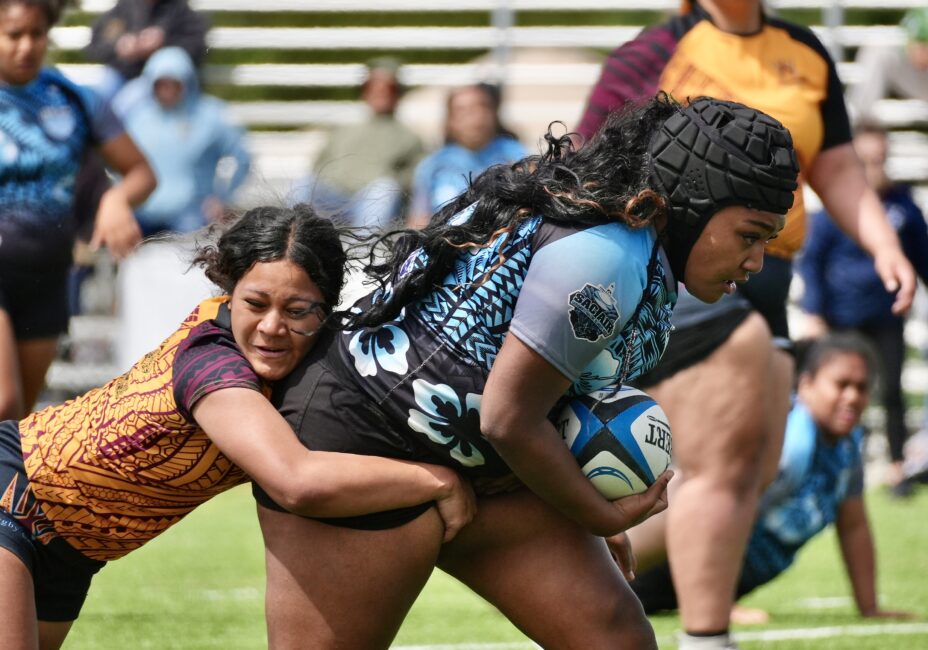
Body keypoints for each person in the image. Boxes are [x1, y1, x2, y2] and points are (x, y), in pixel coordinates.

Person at [252, 94, 800, 649]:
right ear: (694, 203)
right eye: (748, 236)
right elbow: (508, 417)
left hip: (484, 465)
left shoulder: (623, 233)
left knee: (616, 640)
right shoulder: (610, 252)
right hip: (366, 437)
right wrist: (596, 516)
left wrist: (572, 504)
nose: (755, 261)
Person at [575, 2, 917, 648]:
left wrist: (883, 244)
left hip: (769, 275)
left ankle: (570, 547)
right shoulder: (650, 54)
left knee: (749, 472)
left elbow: (837, 166)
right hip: (674, 273)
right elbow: (587, 163)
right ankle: (707, 636)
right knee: (727, 445)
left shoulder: (806, 53)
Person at [0, 204, 475, 650]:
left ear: (326, 310)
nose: (271, 327)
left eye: (296, 311)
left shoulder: (313, 359)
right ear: (229, 292)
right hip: (14, 497)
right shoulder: (211, 361)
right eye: (256, 303)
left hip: (74, 552)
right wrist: (438, 482)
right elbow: (296, 481)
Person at [629, 333, 916, 624]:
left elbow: (853, 526)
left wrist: (869, 608)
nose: (852, 397)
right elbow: (721, 509)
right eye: (841, 385)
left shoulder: (847, 449)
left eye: (862, 387)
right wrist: (718, 602)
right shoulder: (789, 440)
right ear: (806, 384)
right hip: (665, 568)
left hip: (697, 584)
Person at [0, 0, 156, 422]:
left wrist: (115, 199)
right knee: (2, 402)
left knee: (17, 422)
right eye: (13, 35)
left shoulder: (74, 99)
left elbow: (141, 171)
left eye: (36, 34)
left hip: (47, 276)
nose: (26, 46)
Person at [798, 121, 928, 498]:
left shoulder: (902, 204)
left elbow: (922, 254)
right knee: (835, 395)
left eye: (880, 157)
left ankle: (897, 468)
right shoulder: (841, 205)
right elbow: (813, 261)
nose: (875, 165)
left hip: (887, 316)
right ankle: (826, 467)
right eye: (867, 158)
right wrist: (814, 311)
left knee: (891, 395)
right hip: (842, 320)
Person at [112, 46, 252, 237]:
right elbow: (115, 160)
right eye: (161, 82)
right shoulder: (136, 116)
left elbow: (241, 156)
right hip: (141, 215)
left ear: (187, 81)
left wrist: (222, 197)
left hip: (190, 218)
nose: (167, 89)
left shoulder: (210, 115)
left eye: (174, 82)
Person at [306, 57, 425, 232]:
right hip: (335, 200)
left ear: (398, 93)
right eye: (372, 87)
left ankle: (364, 250)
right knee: (304, 184)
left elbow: (413, 182)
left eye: (388, 88)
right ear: (364, 91)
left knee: (384, 188)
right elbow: (317, 167)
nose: (380, 93)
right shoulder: (343, 129)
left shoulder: (410, 138)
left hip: (374, 206)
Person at [406, 83, 526, 229]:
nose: (474, 116)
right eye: (462, 110)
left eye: (481, 106)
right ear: (450, 120)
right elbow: (418, 221)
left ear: (493, 113)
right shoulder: (432, 166)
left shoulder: (518, 157)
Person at [83, 0, 208, 103]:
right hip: (121, 76)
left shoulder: (178, 10)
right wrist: (119, 46)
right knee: (100, 92)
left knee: (132, 97)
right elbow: (94, 47)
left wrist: (163, 43)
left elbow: (196, 48)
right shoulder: (123, 8)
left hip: (156, 83)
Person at [848, 8, 928, 122]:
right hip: (916, 77)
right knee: (877, 48)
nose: (920, 52)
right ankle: (862, 126)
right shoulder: (897, 49)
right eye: (919, 45)